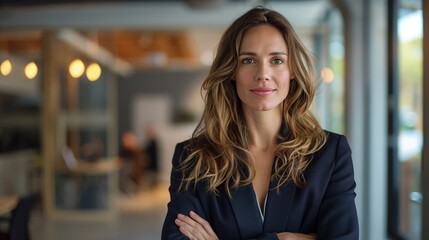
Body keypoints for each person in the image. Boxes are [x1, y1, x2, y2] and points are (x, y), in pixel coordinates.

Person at [162, 6, 358, 240]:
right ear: (232, 70)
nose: (263, 73)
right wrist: (284, 239)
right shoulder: (192, 157)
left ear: (292, 70)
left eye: (276, 60)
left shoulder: (330, 153)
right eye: (248, 60)